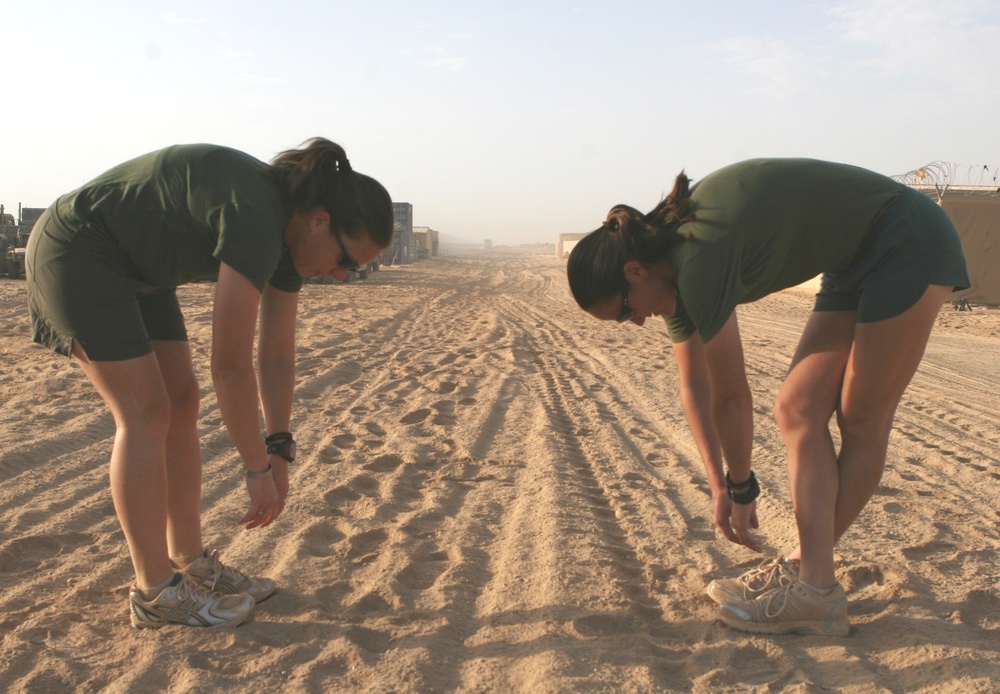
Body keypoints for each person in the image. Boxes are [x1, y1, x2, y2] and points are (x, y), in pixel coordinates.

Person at [567, 158, 969, 636]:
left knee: (862, 417)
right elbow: (694, 384)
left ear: (634, 272)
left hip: (906, 239)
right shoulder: (668, 269)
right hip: (854, 257)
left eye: (625, 312)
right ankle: (807, 569)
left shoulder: (697, 259)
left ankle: (817, 592)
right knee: (797, 408)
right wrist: (719, 484)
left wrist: (743, 486)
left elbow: (732, 396)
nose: (634, 322)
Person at [26, 138, 394, 628]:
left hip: (140, 271)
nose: (345, 277)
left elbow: (278, 355)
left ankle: (188, 559)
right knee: (145, 412)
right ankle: (154, 592)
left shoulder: (292, 237)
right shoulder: (258, 216)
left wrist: (279, 448)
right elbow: (231, 364)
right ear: (320, 219)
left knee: (182, 400)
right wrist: (256, 470)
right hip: (78, 249)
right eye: (347, 260)